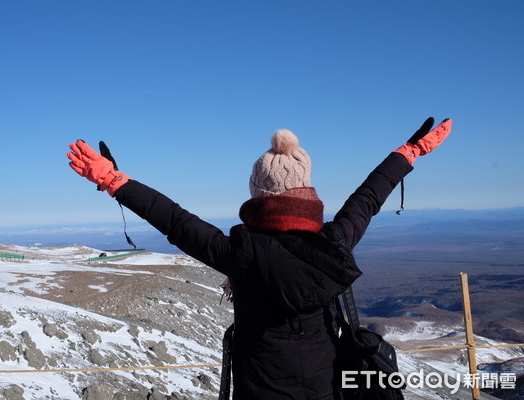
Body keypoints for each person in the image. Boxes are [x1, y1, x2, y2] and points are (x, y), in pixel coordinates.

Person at [66, 117, 452, 400]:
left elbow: (174, 220)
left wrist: (114, 180)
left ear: (256, 194)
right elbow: (368, 198)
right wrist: (409, 152)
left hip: (258, 389)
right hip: (324, 387)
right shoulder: (332, 246)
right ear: (306, 191)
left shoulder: (239, 255)